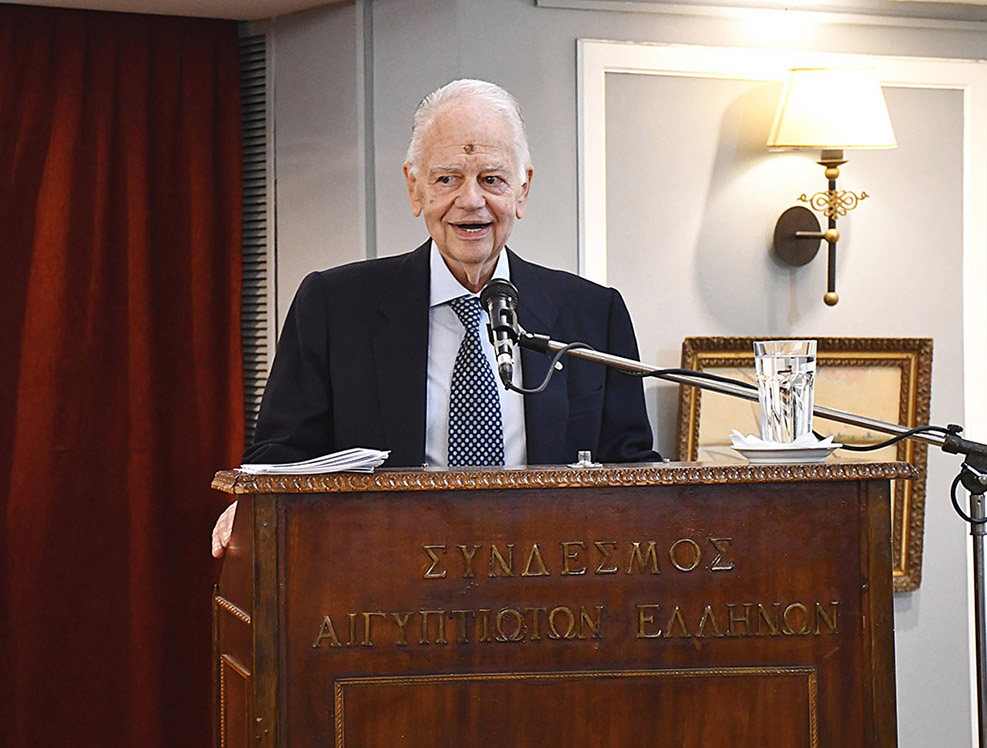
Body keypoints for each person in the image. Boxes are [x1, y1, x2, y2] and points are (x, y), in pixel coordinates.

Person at [212, 79, 658, 557]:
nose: (471, 201)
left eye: (492, 179)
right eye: (447, 179)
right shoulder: (333, 306)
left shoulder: (593, 314)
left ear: (522, 189)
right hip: (382, 575)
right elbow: (279, 458)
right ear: (415, 187)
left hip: (546, 576)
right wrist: (254, 505)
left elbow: (632, 471)